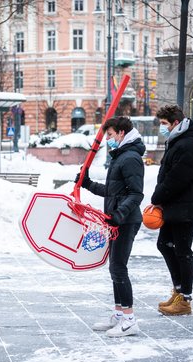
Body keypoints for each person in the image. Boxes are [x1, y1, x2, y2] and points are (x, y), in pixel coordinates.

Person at [75, 116, 145, 337]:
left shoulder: (131, 158)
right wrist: (87, 184)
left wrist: (119, 215)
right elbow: (113, 191)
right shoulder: (121, 156)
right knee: (114, 267)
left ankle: (130, 319)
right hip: (116, 220)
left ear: (122, 133)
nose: (108, 139)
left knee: (118, 267)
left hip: (126, 220)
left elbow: (136, 194)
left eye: (111, 135)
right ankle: (119, 314)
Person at [151, 105, 193, 316]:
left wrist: (157, 197)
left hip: (185, 205)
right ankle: (178, 290)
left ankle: (185, 299)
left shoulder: (187, 144)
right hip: (176, 205)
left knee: (182, 251)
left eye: (164, 124)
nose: (162, 128)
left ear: (175, 123)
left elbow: (178, 178)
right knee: (165, 245)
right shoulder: (177, 141)